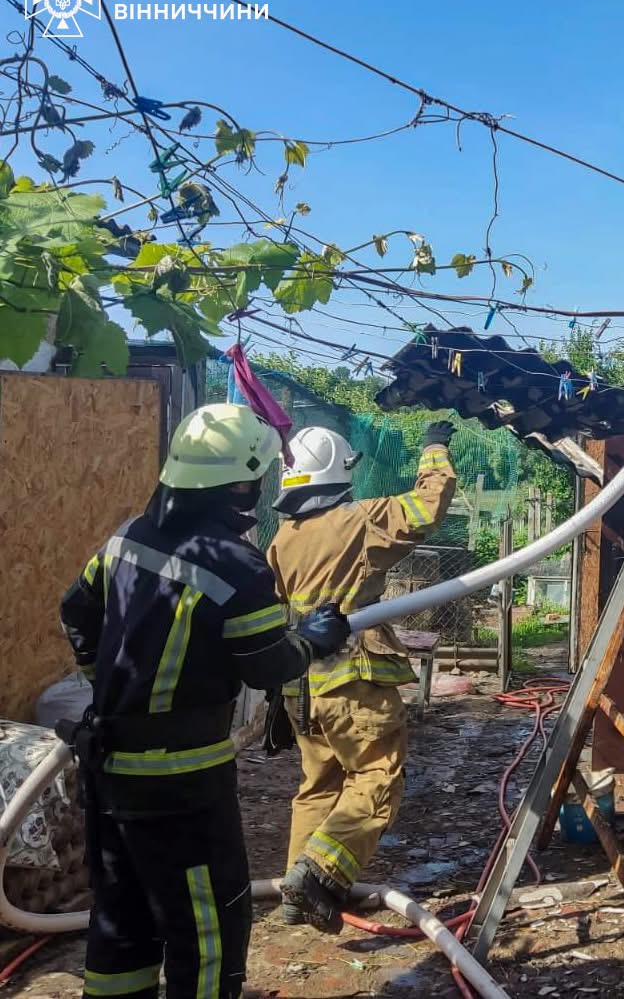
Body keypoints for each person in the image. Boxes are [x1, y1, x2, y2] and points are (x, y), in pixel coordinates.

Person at [59, 403, 351, 999]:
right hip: (181, 783)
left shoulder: (126, 537)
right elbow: (268, 665)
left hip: (108, 767)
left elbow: (76, 611)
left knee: (122, 921)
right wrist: (315, 640)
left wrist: (108, 688)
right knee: (208, 930)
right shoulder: (235, 566)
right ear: (241, 482)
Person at [266, 421, 457, 931]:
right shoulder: (358, 521)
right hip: (353, 682)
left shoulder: (283, 537)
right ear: (338, 472)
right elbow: (427, 507)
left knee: (319, 784)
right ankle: (319, 874)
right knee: (377, 776)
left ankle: (295, 891)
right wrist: (434, 448)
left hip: (301, 684)